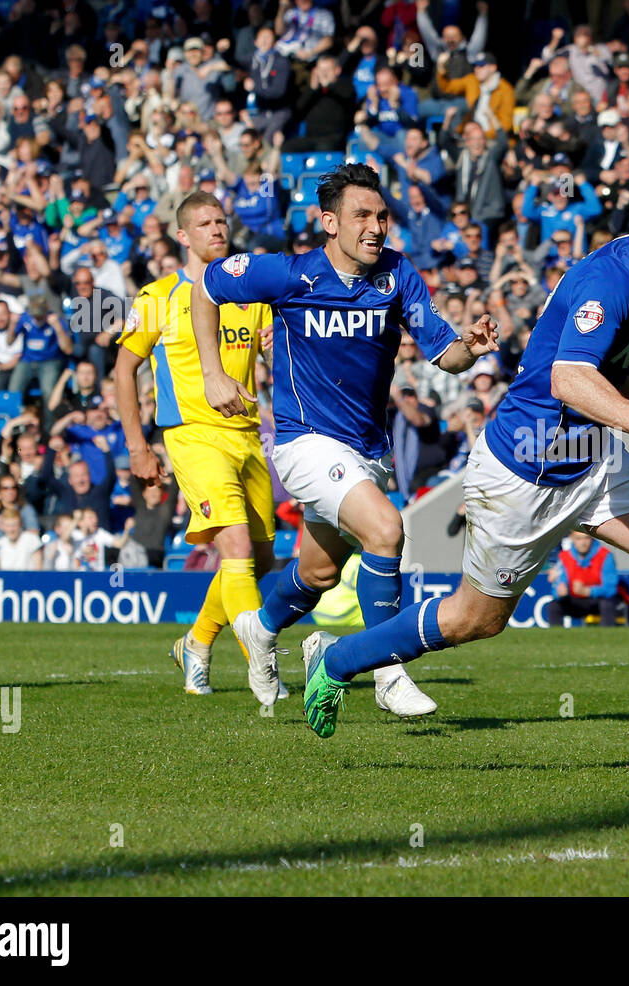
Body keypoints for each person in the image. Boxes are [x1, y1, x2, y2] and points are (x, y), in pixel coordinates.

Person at [291, 154, 629, 761]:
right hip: (524, 471)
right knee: (476, 620)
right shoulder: (610, 281)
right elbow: (568, 378)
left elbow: (614, 367)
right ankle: (338, 659)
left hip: (590, 460)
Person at [195, 164, 498, 719]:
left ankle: (261, 630)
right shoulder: (288, 273)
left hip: (365, 450)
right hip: (303, 441)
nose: (376, 226)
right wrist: (214, 373)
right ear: (328, 222)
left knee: (317, 574)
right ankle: (387, 670)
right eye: (362, 215)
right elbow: (207, 287)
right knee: (386, 530)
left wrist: (470, 349)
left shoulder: (398, 275)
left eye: (382, 215)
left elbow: (444, 354)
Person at [114, 190, 281, 702]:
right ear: (182, 236)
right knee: (232, 546)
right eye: (205, 223)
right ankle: (265, 669)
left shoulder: (252, 296)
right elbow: (124, 369)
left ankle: (197, 641)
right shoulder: (157, 297)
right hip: (191, 436)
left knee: (259, 558)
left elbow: (276, 358)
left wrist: (282, 347)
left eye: (222, 221)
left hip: (247, 436)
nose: (217, 229)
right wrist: (138, 448)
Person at [546, 532, 629, 626]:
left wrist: (588, 591)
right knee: (553, 606)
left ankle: (607, 637)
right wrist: (559, 592)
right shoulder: (564, 556)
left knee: (607, 604)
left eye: (586, 538)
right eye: (578, 539)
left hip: (598, 601)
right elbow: (558, 586)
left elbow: (611, 589)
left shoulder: (605, 555)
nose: (583, 543)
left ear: (592, 538)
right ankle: (558, 637)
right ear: (572, 539)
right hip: (574, 601)